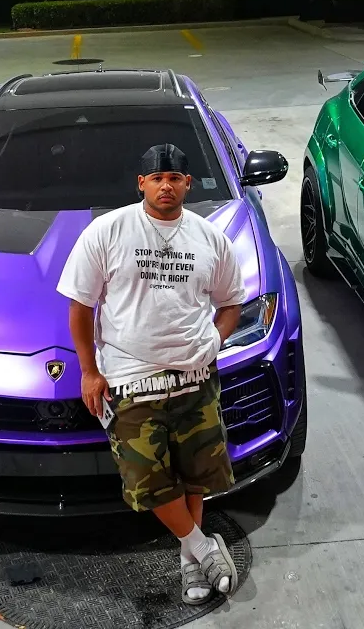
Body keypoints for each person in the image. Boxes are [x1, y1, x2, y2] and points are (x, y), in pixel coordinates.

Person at [57, 144, 247, 604]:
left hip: (194, 377)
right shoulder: (107, 231)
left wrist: (215, 341)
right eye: (157, 178)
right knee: (147, 480)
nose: (167, 185)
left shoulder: (210, 238)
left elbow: (231, 302)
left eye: (175, 178)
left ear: (188, 184)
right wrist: (89, 370)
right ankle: (204, 547)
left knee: (194, 474)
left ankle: (190, 564)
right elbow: (80, 307)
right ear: (141, 183)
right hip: (131, 378)